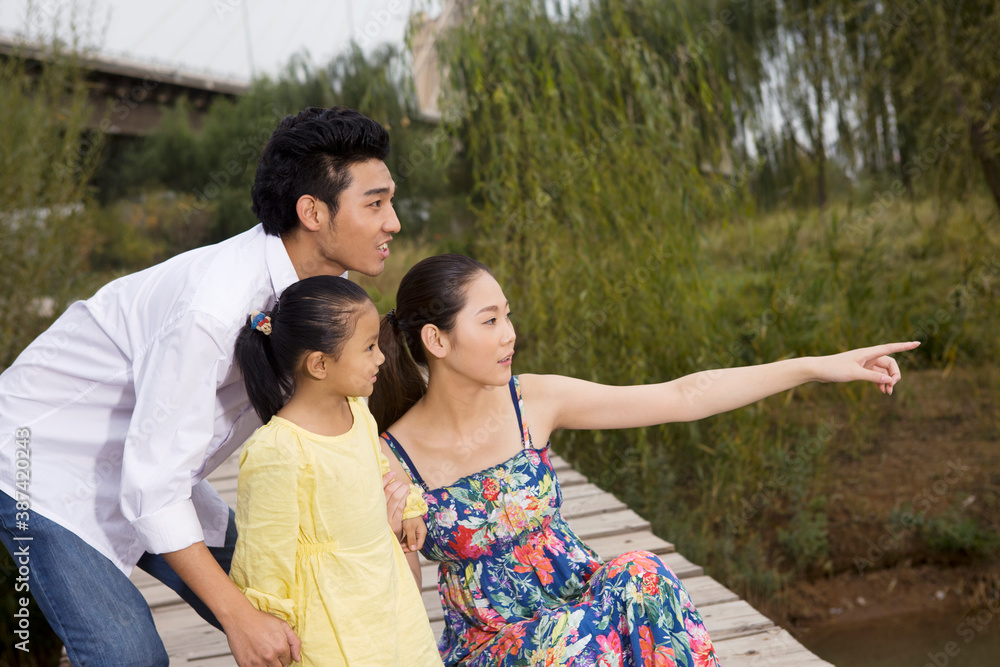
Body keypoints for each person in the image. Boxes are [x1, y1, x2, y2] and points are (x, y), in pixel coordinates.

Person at [370, 253, 919, 667]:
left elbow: (685, 395)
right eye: (489, 321)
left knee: (642, 573)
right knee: (584, 640)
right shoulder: (389, 456)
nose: (510, 334)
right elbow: (397, 591)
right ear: (436, 341)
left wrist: (817, 366)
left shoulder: (529, 400)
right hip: (498, 646)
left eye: (508, 316)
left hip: (582, 602)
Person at [0, 106, 404, 667]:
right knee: (132, 656)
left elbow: (332, 407)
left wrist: (389, 481)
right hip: (39, 460)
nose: (394, 222)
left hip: (155, 460)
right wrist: (238, 619)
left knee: (290, 605)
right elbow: (151, 483)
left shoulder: (316, 295)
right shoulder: (213, 311)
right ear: (312, 211)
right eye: (376, 203)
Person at [228, 274, 442, 667]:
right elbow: (263, 556)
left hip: (384, 593)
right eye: (369, 347)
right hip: (330, 616)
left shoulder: (357, 411)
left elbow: (378, 467)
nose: (381, 357)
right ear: (320, 364)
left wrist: (408, 504)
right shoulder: (278, 450)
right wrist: (272, 625)